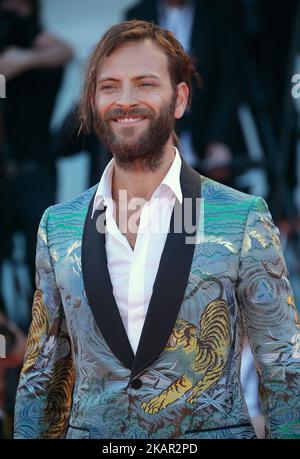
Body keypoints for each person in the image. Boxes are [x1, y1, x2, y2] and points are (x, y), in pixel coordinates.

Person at [14, 20, 300, 439]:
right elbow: (42, 376)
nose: (125, 100)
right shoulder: (59, 226)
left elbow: (284, 366)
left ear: (179, 98)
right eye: (109, 86)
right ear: (94, 101)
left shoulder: (240, 217)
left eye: (144, 83)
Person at [0, 0, 73, 330]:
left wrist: (19, 61)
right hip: (9, 171)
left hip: (33, 170)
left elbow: (64, 51)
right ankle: (7, 346)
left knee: (41, 263)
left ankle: (42, 343)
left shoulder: (33, 42)